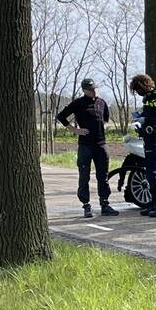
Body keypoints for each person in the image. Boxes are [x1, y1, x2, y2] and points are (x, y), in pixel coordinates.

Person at [56, 78, 118, 218]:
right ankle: (86, 205)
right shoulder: (78, 103)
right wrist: (75, 130)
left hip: (101, 145)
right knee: (84, 176)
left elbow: (106, 119)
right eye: (90, 90)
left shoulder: (102, 102)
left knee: (103, 176)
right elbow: (61, 116)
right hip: (85, 146)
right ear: (84, 90)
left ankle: (105, 204)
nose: (93, 91)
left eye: (95, 88)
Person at [129, 73, 156, 218]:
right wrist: (140, 117)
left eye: (137, 90)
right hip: (150, 136)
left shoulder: (155, 97)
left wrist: (145, 119)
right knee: (149, 171)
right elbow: (150, 112)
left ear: (142, 86)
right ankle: (154, 203)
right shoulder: (148, 97)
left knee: (153, 172)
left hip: (154, 135)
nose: (137, 93)